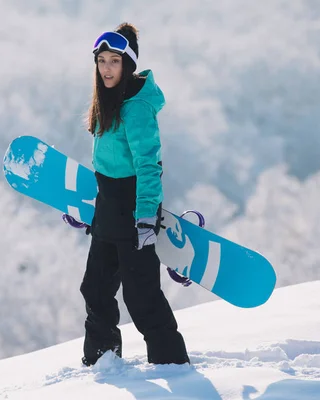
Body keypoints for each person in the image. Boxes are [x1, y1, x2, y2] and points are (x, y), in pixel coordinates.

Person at [79, 22, 190, 366]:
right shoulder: (107, 100)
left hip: (134, 210)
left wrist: (145, 217)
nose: (107, 68)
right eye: (102, 61)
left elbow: (148, 166)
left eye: (115, 60)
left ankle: (172, 364)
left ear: (128, 64)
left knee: (141, 297)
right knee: (95, 290)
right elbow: (107, 164)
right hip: (109, 209)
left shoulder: (136, 106)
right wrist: (91, 210)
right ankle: (102, 361)